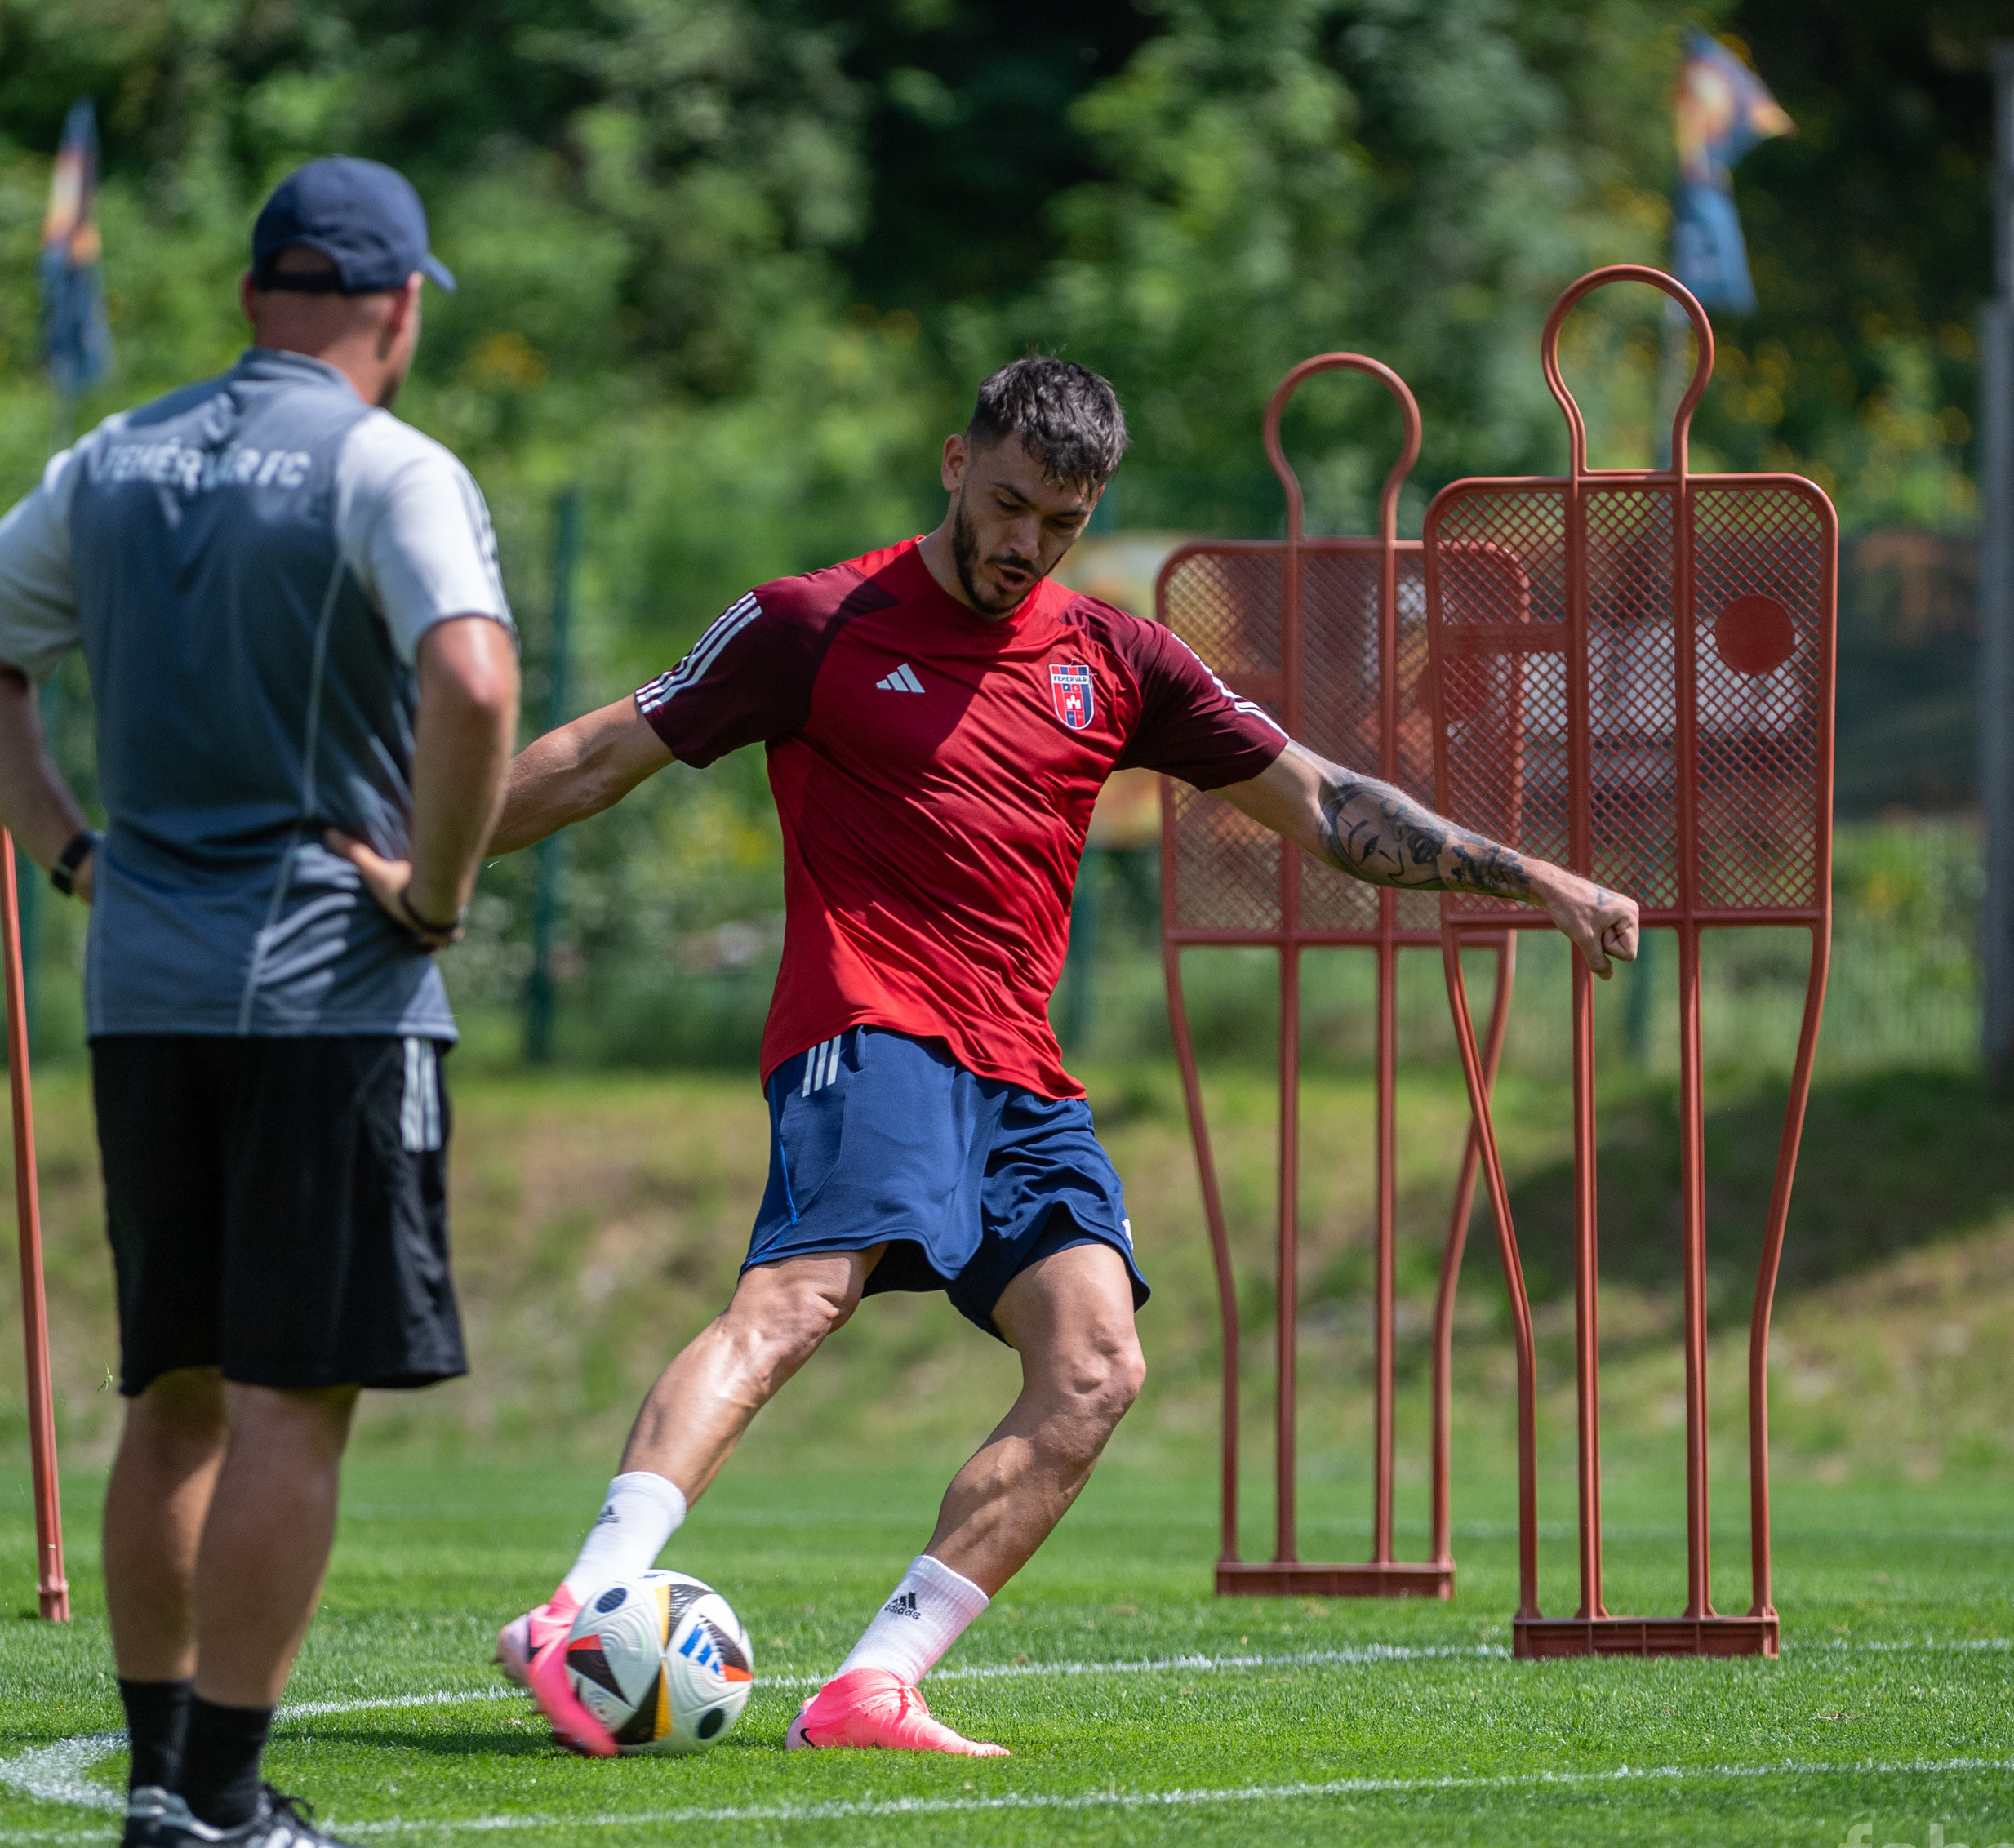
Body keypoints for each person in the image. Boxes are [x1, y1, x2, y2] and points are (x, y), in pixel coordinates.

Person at [340, 356, 1639, 1758]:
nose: (1027, 542)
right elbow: (599, 756)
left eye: (1063, 522)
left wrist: (1534, 877)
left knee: (1097, 1363)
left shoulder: (1119, 661)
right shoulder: (810, 623)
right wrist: (414, 862)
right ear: (957, 463)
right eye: (1010, 502)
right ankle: (580, 1600)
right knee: (798, 1301)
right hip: (868, 1021)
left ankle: (872, 1686)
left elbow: (1326, 804)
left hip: (1021, 1070)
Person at [0, 156, 518, 1848]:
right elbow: (473, 679)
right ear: (397, 312)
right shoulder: (389, 464)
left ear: (255, 296)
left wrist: (70, 852)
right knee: (287, 1399)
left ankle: (158, 1785)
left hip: (144, 989)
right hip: (325, 991)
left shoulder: (111, 460)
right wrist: (436, 892)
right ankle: (232, 1800)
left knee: (172, 1391)